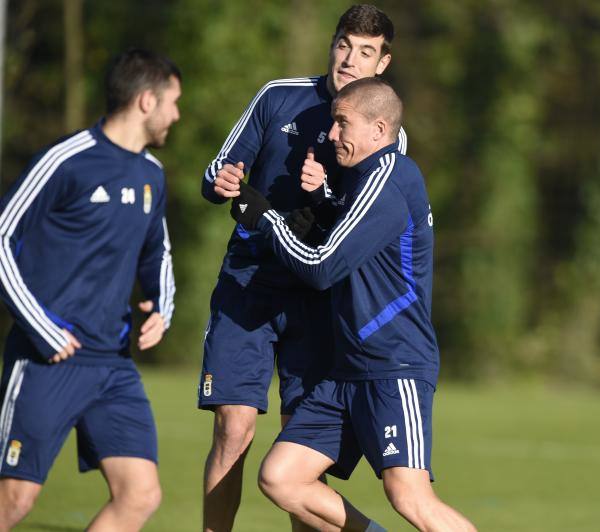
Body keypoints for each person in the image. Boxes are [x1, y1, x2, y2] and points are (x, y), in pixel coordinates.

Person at [231, 77, 475, 532]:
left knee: (409, 495)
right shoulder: (361, 179)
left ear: (379, 130)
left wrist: (265, 218)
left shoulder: (388, 178)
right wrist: (322, 202)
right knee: (282, 478)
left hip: (393, 366)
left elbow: (322, 266)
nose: (332, 134)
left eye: (342, 123)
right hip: (346, 371)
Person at [198, 5, 406, 531]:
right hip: (248, 285)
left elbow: (361, 223)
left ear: (382, 63)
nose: (349, 59)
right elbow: (219, 170)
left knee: (299, 446)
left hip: (318, 296)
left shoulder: (384, 133)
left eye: (365, 52)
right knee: (235, 427)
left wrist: (327, 191)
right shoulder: (278, 95)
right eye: (343, 44)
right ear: (332, 45)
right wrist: (222, 180)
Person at [0, 48, 179, 531]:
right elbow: (1, 237)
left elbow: (156, 252)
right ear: (146, 101)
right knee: (13, 502)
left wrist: (161, 305)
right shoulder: (67, 159)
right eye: (173, 102)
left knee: (140, 494)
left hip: (113, 364)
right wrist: (43, 330)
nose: (176, 115)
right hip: (47, 360)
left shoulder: (151, 175)